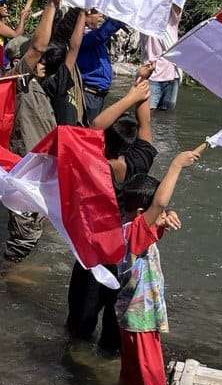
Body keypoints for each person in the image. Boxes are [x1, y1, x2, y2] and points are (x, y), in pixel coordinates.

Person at [66, 71, 157, 348]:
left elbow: (95, 125)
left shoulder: (95, 166)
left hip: (94, 252)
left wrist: (130, 95)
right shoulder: (140, 161)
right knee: (114, 329)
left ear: (104, 142)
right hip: (125, 251)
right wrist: (142, 86)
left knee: (80, 325)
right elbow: (146, 123)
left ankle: (75, 362)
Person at [114, 147, 203, 385]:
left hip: (132, 319)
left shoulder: (127, 228)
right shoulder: (134, 232)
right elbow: (160, 202)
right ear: (142, 211)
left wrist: (162, 219)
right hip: (140, 321)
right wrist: (176, 164)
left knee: (131, 374)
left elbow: (158, 212)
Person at [3, 2, 59, 261]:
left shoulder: (35, 85)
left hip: (40, 169)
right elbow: (37, 48)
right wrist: (52, 4)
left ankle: (18, 272)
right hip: (25, 170)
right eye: (36, 58)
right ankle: (6, 280)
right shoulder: (15, 80)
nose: (42, 61)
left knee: (37, 229)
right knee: (23, 237)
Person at [39, 0, 86, 127]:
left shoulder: (47, 81)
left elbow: (73, 48)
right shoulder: (57, 82)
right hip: (66, 135)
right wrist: (82, 13)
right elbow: (74, 47)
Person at [78, 10, 125, 123]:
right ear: (84, 15)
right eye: (95, 12)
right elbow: (101, 34)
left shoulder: (92, 36)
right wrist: (121, 14)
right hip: (89, 93)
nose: (100, 15)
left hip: (97, 95)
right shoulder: (82, 36)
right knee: (89, 130)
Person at [141, 7, 182, 111]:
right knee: (147, 115)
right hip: (151, 75)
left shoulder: (171, 20)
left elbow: (178, 3)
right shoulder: (144, 20)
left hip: (172, 76)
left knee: (167, 116)